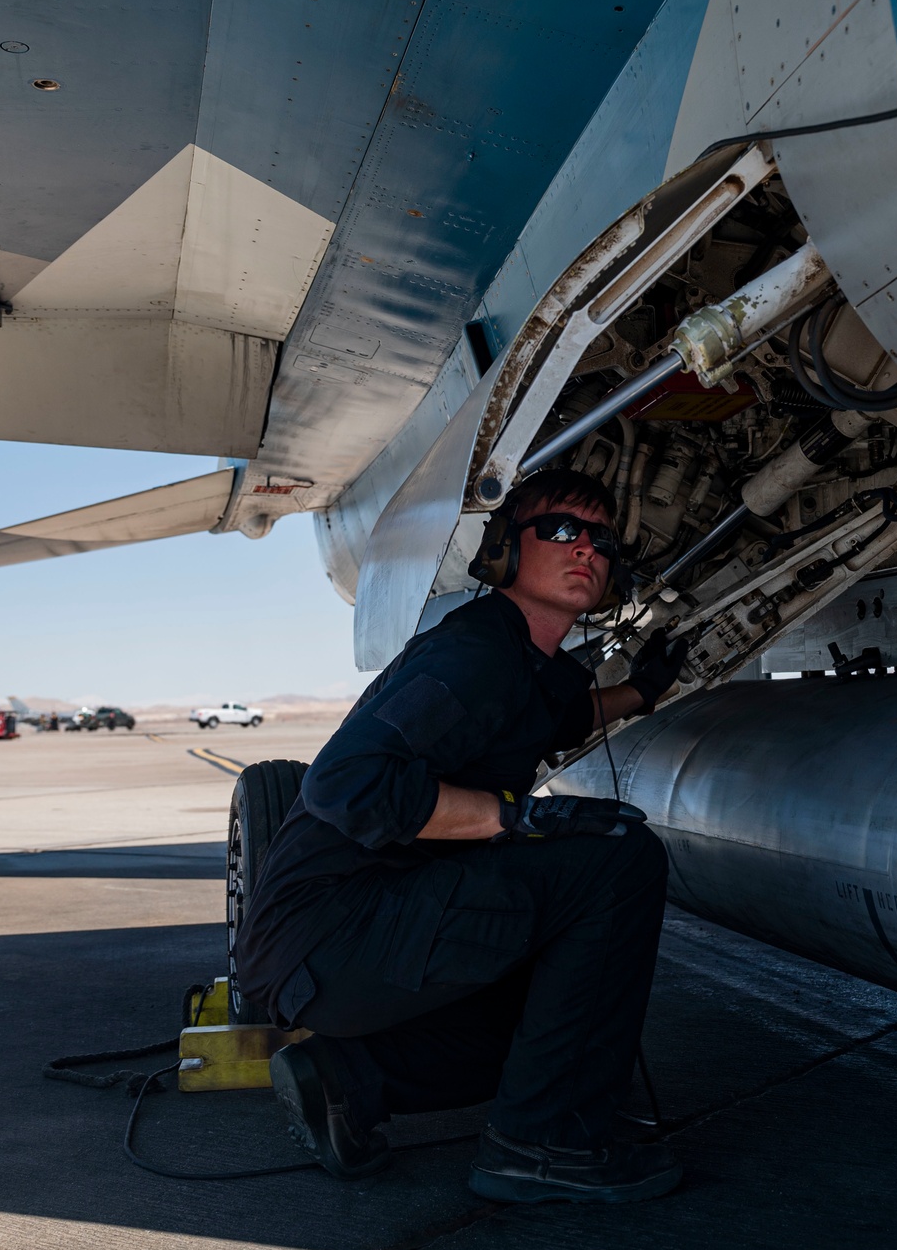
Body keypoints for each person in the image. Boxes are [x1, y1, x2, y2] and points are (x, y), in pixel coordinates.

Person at [236, 469, 688, 1203]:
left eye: (601, 540)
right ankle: (543, 1146)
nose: (587, 551)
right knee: (619, 861)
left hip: (327, 954)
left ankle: (350, 1081)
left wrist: (644, 691)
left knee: (549, 1026)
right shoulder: (476, 655)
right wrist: (516, 818)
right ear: (506, 551)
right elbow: (345, 784)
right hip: (335, 931)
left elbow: (561, 714)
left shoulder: (521, 661)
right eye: (564, 531)